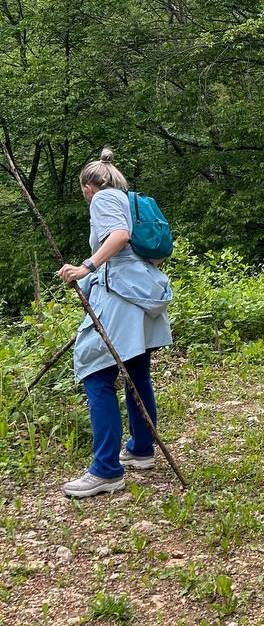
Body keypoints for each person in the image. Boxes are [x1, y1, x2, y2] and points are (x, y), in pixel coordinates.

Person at [56, 148, 173, 498]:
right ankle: (140, 448)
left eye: (82, 191)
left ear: (89, 186)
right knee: (137, 371)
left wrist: (85, 268)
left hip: (120, 296)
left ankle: (106, 469)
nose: (84, 197)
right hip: (139, 292)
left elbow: (119, 236)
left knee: (96, 373)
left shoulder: (103, 198)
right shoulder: (125, 197)